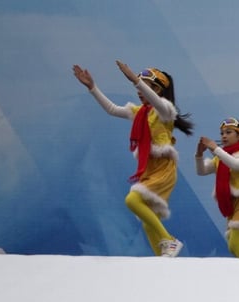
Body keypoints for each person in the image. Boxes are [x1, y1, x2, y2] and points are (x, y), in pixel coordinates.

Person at [72, 61, 193, 257]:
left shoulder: (165, 111)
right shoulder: (140, 113)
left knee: (132, 200)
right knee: (147, 218)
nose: (138, 90)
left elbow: (158, 102)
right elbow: (112, 109)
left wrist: (135, 80)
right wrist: (92, 88)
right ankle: (163, 258)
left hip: (163, 168)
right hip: (150, 168)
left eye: (146, 86)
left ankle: (169, 240)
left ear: (157, 90)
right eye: (140, 85)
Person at [195, 118, 239, 258]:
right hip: (233, 207)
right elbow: (202, 171)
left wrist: (215, 148)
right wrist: (199, 155)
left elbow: (237, 165)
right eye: (222, 133)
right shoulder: (221, 157)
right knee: (233, 246)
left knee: (236, 244)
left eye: (228, 132)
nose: (223, 136)